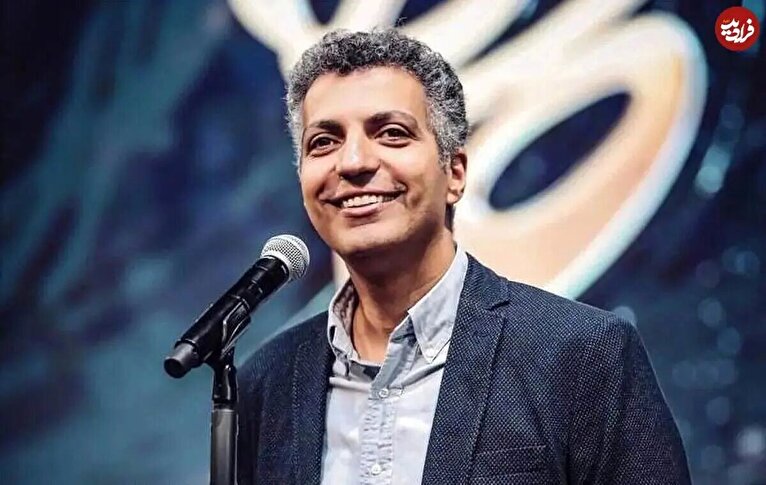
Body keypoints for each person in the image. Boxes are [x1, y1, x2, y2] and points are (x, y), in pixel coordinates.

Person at [236, 28, 690, 485]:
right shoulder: (267, 383)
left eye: (391, 133)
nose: (352, 162)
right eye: (323, 142)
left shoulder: (583, 354)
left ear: (454, 174)